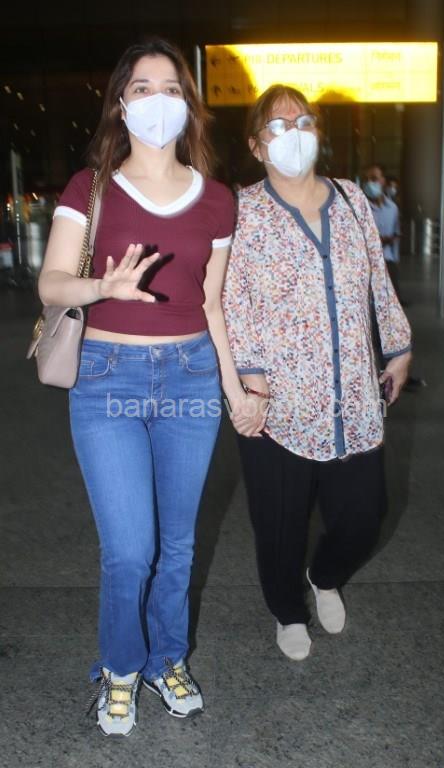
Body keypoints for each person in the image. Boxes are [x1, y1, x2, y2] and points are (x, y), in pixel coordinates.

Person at [38, 38, 251, 736]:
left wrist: (234, 390)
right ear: (120, 105)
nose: (158, 100)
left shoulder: (216, 200)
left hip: (190, 378)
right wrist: (103, 287)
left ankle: (166, 659)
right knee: (130, 549)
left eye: (171, 88)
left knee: (179, 545)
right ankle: (122, 666)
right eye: (142, 88)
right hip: (107, 379)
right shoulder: (90, 188)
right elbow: (51, 284)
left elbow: (213, 304)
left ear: (189, 105)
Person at [222, 85, 412, 662]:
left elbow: (377, 278)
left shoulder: (351, 198)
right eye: (278, 126)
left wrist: (398, 346)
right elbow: (233, 301)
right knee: (279, 526)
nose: (294, 133)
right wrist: (251, 382)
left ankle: (324, 574)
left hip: (352, 394)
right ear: (256, 146)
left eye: (303, 121)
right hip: (275, 401)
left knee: (365, 516)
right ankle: (287, 609)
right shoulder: (242, 210)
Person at [363, 164, 402, 301]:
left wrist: (395, 258)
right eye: (366, 179)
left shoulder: (393, 208)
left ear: (383, 181)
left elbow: (396, 233)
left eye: (374, 179)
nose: (369, 183)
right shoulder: (361, 207)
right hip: (367, 263)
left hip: (388, 261)